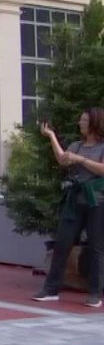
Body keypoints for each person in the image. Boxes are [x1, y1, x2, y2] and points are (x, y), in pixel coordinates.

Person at [33, 108, 104, 307]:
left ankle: (95, 294)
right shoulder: (77, 145)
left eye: (84, 120)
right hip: (75, 202)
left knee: (97, 248)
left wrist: (80, 160)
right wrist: (51, 136)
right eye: (81, 119)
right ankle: (50, 289)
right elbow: (63, 159)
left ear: (94, 124)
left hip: (97, 203)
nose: (80, 123)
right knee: (62, 244)